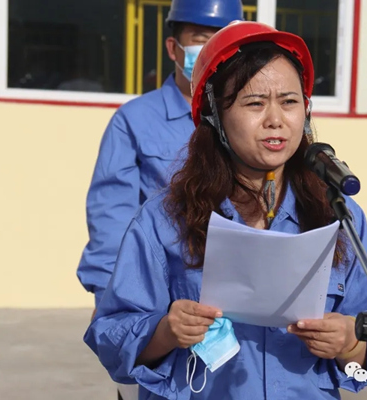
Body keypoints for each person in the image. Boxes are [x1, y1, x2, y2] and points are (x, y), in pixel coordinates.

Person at [84, 21, 367, 399]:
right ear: (215, 115)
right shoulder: (165, 219)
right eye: (254, 103)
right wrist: (166, 331)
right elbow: (112, 342)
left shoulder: (339, 216)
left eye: (289, 101)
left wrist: (349, 343)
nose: (275, 119)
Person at [77, 2, 243, 399]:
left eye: (221, 41)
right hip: (163, 310)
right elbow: (111, 217)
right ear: (173, 48)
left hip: (237, 305)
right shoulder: (134, 121)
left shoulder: (245, 120)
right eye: (200, 40)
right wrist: (114, 309)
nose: (210, 51)